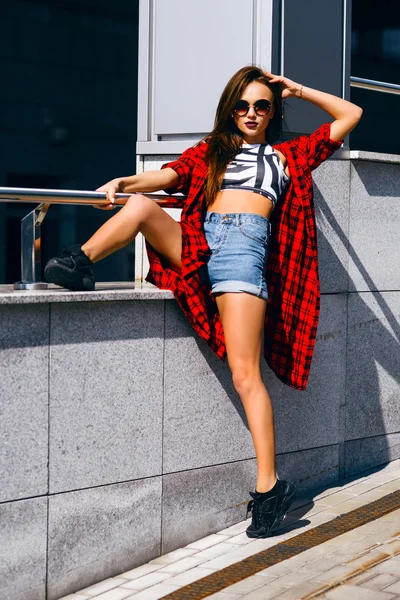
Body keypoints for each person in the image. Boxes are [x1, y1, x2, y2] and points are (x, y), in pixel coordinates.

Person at [44, 66, 362, 538]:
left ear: (272, 112)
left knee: (244, 373)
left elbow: (351, 112)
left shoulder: (288, 156)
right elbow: (167, 176)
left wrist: (297, 89)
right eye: (242, 105)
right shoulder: (211, 152)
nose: (250, 114)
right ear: (229, 108)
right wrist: (122, 181)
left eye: (261, 106)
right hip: (199, 241)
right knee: (140, 208)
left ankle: (270, 487)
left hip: (243, 253)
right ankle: (78, 261)